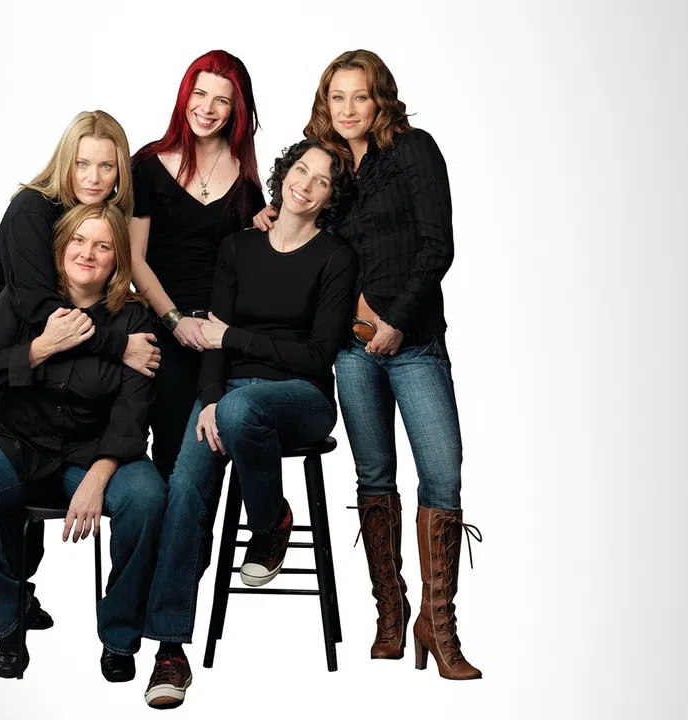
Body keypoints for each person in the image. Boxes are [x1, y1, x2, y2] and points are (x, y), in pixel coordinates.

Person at [255, 50, 482, 680]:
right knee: (374, 476)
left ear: (381, 98)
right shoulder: (327, 167)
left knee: (442, 475)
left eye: (360, 95)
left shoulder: (413, 151)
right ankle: (390, 611)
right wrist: (272, 212)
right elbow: (303, 226)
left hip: (413, 342)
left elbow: (437, 246)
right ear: (324, 104)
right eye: (337, 97)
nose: (348, 108)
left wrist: (398, 320)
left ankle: (438, 625)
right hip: (349, 350)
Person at [140, 140, 358, 709]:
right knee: (185, 485)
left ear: (331, 198)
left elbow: (317, 355)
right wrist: (210, 398)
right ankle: (169, 650)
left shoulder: (336, 257)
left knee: (242, 411)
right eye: (301, 170)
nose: (306, 185)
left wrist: (234, 341)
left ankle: (270, 522)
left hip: (302, 397)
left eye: (322, 181)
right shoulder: (237, 246)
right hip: (230, 393)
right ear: (285, 173)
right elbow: (213, 340)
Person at [0, 110, 162, 671]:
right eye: (83, 163)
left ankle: (119, 635)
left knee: (145, 496)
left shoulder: (128, 306)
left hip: (86, 437)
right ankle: (11, 615)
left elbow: (132, 408)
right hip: (1, 352)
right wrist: (103, 347)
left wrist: (99, 473)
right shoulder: (32, 210)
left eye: (106, 166)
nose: (93, 176)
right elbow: (39, 311)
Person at [128, 50, 265, 486]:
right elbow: (133, 259)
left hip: (221, 333)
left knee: (209, 455)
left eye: (221, 100)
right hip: (162, 325)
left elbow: (253, 267)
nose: (207, 108)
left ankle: (205, 543)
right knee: (169, 451)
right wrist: (174, 320)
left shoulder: (247, 181)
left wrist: (267, 225)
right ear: (184, 96)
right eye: (199, 94)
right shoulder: (147, 165)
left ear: (236, 110)